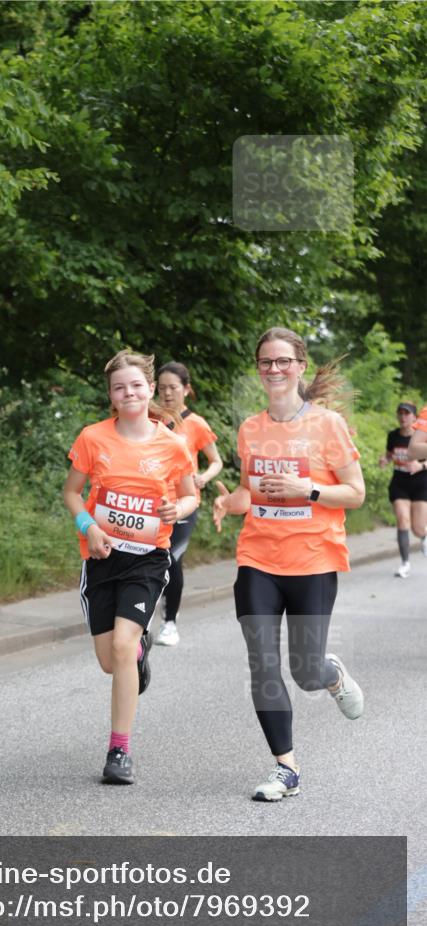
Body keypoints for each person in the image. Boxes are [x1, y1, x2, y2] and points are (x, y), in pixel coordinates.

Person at [213, 326, 366, 802]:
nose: (274, 370)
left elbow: (356, 493)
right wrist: (229, 503)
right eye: (266, 362)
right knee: (262, 662)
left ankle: (330, 673)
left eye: (283, 361)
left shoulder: (327, 425)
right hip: (258, 556)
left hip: (314, 558)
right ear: (259, 370)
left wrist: (310, 491)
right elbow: (249, 491)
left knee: (304, 671)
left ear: (300, 365)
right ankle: (286, 768)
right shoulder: (251, 429)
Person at [63, 350, 198, 784]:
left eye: (137, 385)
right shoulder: (92, 437)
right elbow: (71, 493)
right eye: (120, 387)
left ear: (151, 389)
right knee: (111, 660)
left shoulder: (172, 443)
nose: (129, 393)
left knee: (120, 647)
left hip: (147, 560)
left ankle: (118, 751)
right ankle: (140, 650)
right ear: (111, 395)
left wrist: (176, 509)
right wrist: (89, 526)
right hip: (102, 558)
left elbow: (191, 495)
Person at [155, 361, 223, 645]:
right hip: (154, 504)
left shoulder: (196, 424)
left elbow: (216, 461)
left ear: (186, 389)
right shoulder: (150, 418)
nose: (168, 393)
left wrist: (204, 477)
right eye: (162, 388)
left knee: (172, 559)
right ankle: (148, 611)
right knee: (151, 560)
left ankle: (170, 623)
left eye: (173, 387)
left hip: (185, 502)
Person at [379, 402, 427, 577]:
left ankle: (424, 536)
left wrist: (421, 466)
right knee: (402, 520)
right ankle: (405, 563)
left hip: (421, 483)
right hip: (400, 483)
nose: (403, 417)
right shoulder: (393, 436)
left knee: (418, 528)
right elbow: (390, 454)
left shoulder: (421, 438)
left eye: (406, 414)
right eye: (400, 413)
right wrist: (385, 460)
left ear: (415, 418)